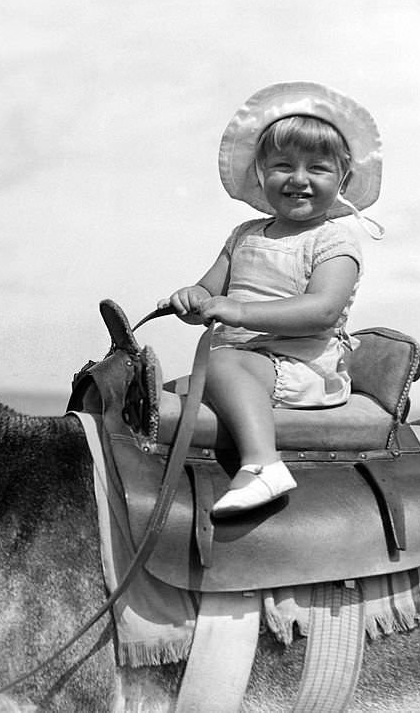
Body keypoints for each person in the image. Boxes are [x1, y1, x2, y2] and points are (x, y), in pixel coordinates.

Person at [159, 81, 383, 517]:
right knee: (168, 396)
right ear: (262, 173)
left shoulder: (333, 241)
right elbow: (211, 291)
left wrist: (240, 312)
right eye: (283, 165)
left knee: (223, 364)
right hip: (245, 365)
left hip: (299, 367)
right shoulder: (244, 236)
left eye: (317, 168)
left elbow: (324, 311)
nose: (298, 179)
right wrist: (194, 298)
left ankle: (263, 466)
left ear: (344, 179)